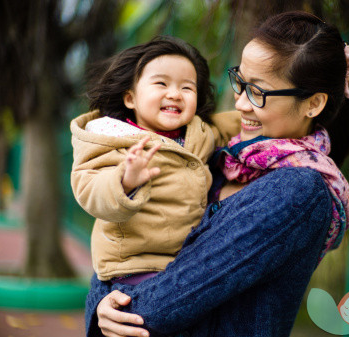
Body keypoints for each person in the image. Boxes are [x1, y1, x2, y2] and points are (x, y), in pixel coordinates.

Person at [87, 10, 349, 337]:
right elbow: (119, 238)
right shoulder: (223, 156)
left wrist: (114, 304)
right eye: (240, 81)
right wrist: (103, 300)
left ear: (313, 104)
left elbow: (171, 298)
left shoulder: (299, 191)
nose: (241, 103)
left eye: (257, 92)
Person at [70, 37, 239, 284]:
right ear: (130, 98)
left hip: (183, 258)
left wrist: (256, 116)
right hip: (134, 266)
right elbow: (90, 189)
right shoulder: (113, 138)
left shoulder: (198, 133)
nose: (175, 94)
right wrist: (125, 181)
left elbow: (231, 125)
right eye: (161, 83)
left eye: (187, 88)